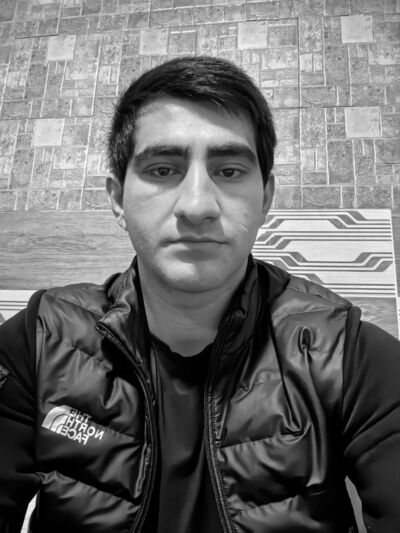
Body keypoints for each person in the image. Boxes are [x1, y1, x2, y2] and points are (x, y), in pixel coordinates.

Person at [0, 56, 399, 533]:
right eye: (162, 169)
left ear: (266, 197)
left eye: (229, 171)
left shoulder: (346, 354)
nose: (197, 206)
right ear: (117, 199)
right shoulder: (40, 340)